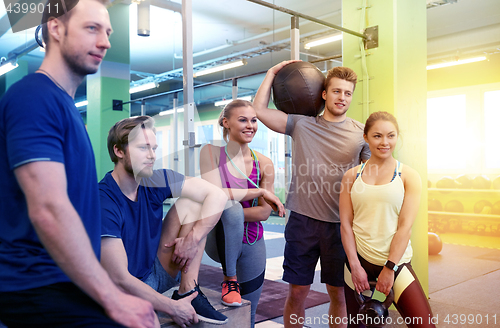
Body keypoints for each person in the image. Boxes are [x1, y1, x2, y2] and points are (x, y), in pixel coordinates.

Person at [0, 0, 157, 327]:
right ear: (56, 28)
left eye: (108, 31)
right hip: (36, 284)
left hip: (63, 279)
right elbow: (48, 209)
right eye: (92, 28)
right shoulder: (33, 97)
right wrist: (113, 298)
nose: (105, 41)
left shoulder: (65, 107)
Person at [253, 61, 371, 328]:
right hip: (303, 221)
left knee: (338, 293)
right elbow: (259, 110)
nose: (342, 98)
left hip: (340, 226)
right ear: (325, 94)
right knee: (297, 292)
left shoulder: (360, 134)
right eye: (337, 91)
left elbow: (373, 177)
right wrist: (271, 73)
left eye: (348, 93)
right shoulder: (301, 125)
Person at [99, 116, 229, 327]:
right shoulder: (103, 200)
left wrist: (192, 240)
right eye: (143, 148)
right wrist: (170, 308)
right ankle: (175, 300)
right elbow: (119, 278)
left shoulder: (155, 179)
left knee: (193, 203)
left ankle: (188, 291)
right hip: (124, 290)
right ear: (119, 151)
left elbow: (218, 195)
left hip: (154, 271)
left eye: (154, 148)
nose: (152, 156)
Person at [339, 111, 435, 328]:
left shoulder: (408, 176)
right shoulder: (351, 176)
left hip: (395, 264)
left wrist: (389, 268)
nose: (385, 142)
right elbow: (345, 223)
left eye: (391, 136)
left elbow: (405, 226)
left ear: (397, 137)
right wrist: (354, 266)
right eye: (377, 136)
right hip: (357, 263)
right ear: (366, 137)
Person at [200, 100, 286, 327]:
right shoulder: (210, 154)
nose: (250, 125)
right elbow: (215, 194)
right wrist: (256, 192)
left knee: (249, 313)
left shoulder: (264, 163)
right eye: (243, 120)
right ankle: (229, 279)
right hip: (218, 239)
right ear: (226, 123)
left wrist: (232, 219)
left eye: (254, 120)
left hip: (251, 241)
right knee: (231, 207)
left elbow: (264, 212)